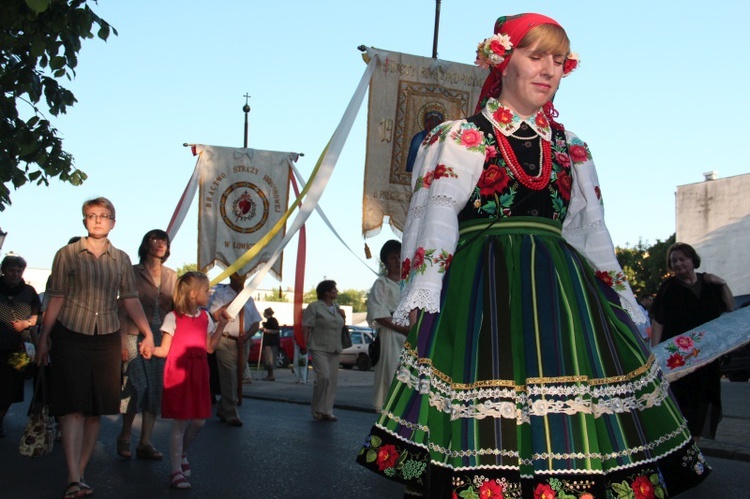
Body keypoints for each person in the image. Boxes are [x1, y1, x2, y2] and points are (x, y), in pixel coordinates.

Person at [356, 14, 710, 497]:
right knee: (482, 402)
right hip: (482, 291)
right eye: (535, 55)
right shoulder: (461, 137)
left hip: (560, 295)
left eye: (558, 61)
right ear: (502, 60)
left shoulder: (573, 148)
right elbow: (434, 219)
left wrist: (622, 298)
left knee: (568, 406)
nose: (548, 70)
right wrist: (425, 291)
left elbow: (591, 232)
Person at [36, 197, 156, 499]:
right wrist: (44, 337)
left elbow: (130, 299)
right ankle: (73, 477)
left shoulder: (121, 259)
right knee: (72, 408)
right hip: (71, 335)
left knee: (95, 411)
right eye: (92, 215)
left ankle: (81, 472)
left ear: (114, 221)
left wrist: (147, 334)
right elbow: (57, 297)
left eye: (104, 216)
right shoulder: (67, 255)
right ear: (84, 221)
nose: (98, 220)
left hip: (106, 339)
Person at [152, 271, 229, 489]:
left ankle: (182, 452)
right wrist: (151, 349)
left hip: (199, 374)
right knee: (180, 423)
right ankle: (176, 471)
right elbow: (164, 350)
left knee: (199, 422)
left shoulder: (205, 318)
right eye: (206, 290)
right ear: (194, 294)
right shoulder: (173, 317)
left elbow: (210, 348)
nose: (209, 293)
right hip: (179, 375)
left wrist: (221, 325)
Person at [651, 242, 734, 441]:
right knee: (684, 400)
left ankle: (693, 445)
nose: (678, 264)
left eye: (682, 259)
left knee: (705, 400)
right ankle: (682, 444)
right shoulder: (669, 287)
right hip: (681, 357)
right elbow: (658, 321)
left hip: (708, 356)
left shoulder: (709, 283)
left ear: (692, 260)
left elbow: (730, 307)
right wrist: (655, 352)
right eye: (674, 261)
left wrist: (721, 282)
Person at [117, 229, 177, 460]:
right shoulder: (131, 272)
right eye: (155, 239)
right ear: (145, 244)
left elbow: (175, 310)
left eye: (165, 240)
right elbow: (122, 308)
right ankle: (124, 435)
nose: (161, 243)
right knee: (135, 385)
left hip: (160, 336)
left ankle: (145, 442)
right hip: (133, 333)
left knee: (154, 390)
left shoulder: (172, 276)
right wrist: (122, 341)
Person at [208, 273, 261, 427]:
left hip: (242, 343)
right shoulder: (221, 293)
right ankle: (231, 413)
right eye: (241, 277)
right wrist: (237, 300)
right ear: (233, 277)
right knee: (229, 376)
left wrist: (247, 337)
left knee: (237, 377)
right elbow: (216, 315)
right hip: (225, 340)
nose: (244, 280)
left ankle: (224, 408)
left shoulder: (249, 298)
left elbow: (256, 322)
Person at [0, 255, 41, 438]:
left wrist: (38, 346)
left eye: (19, 271)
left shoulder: (29, 292)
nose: (15, 274)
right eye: (12, 270)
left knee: (10, 388)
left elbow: (38, 319)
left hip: (19, 349)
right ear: (4, 270)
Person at [368, 240, 410, 409]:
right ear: (385, 261)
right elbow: (379, 314)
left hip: (411, 334)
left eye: (401, 256)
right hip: (391, 334)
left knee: (410, 377)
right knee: (392, 376)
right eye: (393, 257)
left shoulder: (411, 283)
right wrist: (404, 329)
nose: (398, 260)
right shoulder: (381, 284)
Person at [303, 280, 345, 422]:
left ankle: (327, 410)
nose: (336, 291)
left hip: (335, 347)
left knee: (332, 380)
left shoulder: (336, 307)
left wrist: (343, 316)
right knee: (323, 377)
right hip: (318, 346)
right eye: (334, 289)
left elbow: (339, 325)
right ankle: (317, 409)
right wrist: (303, 343)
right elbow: (306, 326)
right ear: (326, 292)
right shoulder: (314, 307)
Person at [260, 307, 280, 381]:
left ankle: (271, 375)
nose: (263, 314)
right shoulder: (268, 321)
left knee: (269, 359)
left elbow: (276, 331)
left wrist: (266, 330)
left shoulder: (273, 320)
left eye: (264, 312)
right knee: (267, 359)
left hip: (271, 343)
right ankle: (269, 374)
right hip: (268, 343)